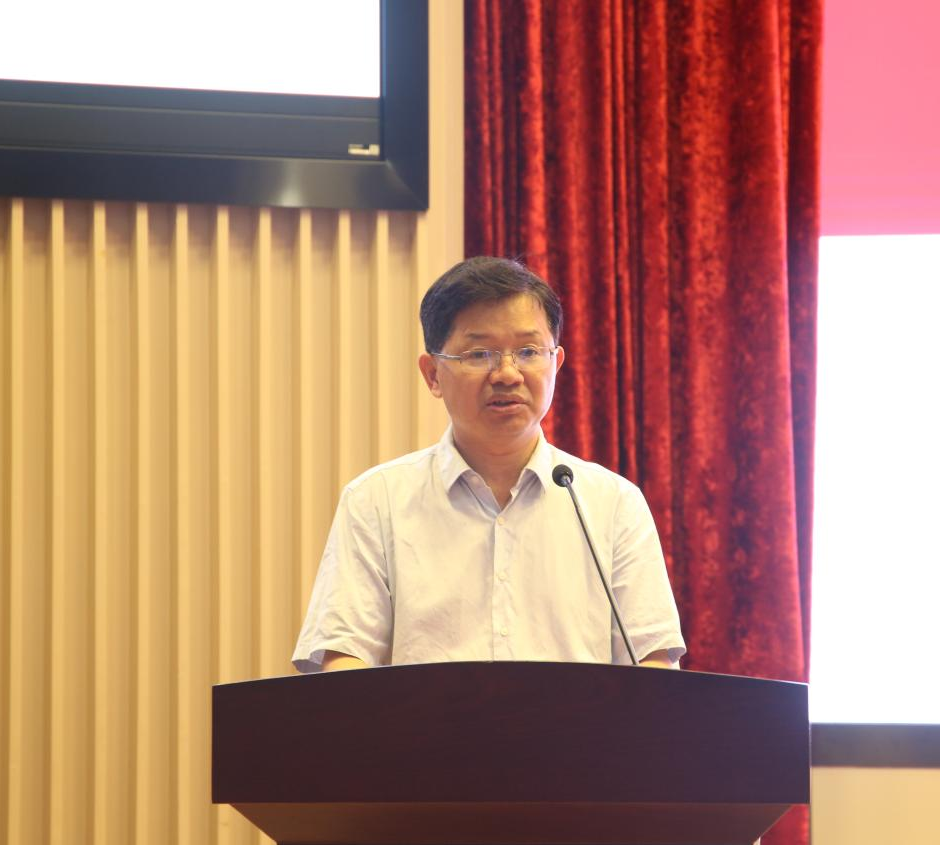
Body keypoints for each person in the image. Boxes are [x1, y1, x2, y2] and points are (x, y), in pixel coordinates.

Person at [292, 256, 685, 672]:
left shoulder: (614, 503)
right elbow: (343, 657)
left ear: (556, 364)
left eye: (528, 351)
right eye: (479, 353)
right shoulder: (376, 501)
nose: (507, 374)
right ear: (432, 374)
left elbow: (653, 662)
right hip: (424, 720)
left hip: (579, 721)